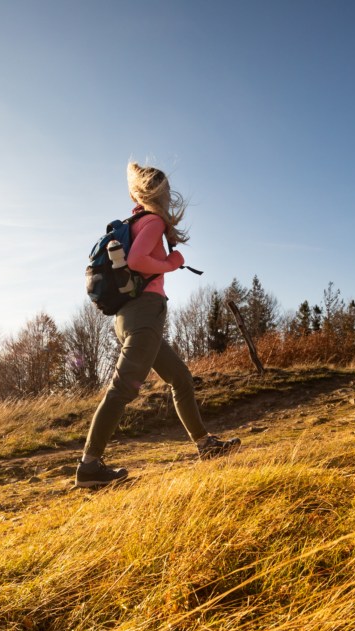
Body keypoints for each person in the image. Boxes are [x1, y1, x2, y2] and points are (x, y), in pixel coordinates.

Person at [76, 163, 241, 487]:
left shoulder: (133, 222)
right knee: (122, 389)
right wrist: (171, 263)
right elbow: (137, 261)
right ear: (161, 194)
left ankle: (205, 445)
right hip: (144, 316)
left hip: (130, 317)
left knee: (180, 377)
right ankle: (89, 466)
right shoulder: (151, 222)